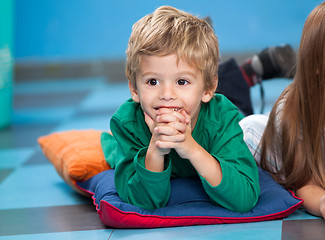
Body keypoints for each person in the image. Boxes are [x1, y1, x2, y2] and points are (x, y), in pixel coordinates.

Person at [101, 5, 260, 212]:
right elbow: (143, 201)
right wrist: (155, 150)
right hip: (197, 98)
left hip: (221, 104)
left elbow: (245, 197)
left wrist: (191, 147)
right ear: (134, 89)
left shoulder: (222, 117)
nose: (167, 95)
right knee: (110, 151)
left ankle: (242, 73)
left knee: (241, 109)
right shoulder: (127, 123)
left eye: (181, 82)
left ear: (209, 89)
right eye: (152, 82)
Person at [241, 1, 325, 219]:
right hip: (250, 140)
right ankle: (240, 74)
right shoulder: (298, 113)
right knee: (215, 110)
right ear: (316, 63)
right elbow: (307, 186)